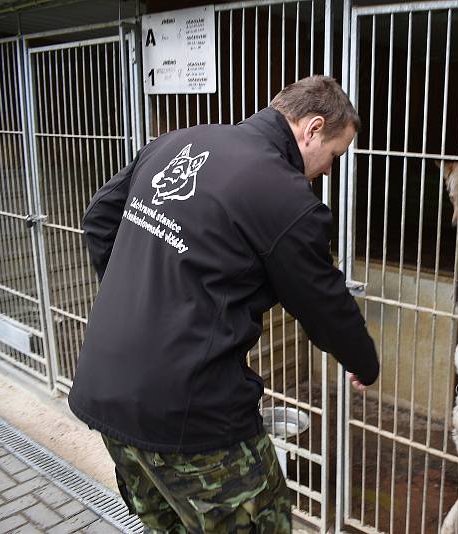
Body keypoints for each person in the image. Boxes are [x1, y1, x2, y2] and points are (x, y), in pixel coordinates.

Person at [68, 75, 380, 533]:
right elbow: (324, 303)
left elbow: (98, 220)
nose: (330, 170)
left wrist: (140, 298)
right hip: (190, 413)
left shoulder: (174, 143)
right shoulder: (284, 195)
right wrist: (364, 361)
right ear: (312, 129)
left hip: (106, 391)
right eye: (335, 155)